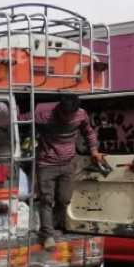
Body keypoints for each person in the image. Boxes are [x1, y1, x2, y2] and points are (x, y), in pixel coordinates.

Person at [34, 96, 106, 250]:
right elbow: (22, 119)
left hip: (68, 164)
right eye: (64, 114)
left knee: (64, 198)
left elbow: (89, 132)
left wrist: (94, 150)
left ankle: (50, 227)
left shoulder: (81, 114)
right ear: (59, 108)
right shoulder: (44, 114)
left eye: (70, 115)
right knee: (46, 199)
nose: (67, 118)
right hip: (47, 164)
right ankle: (47, 235)